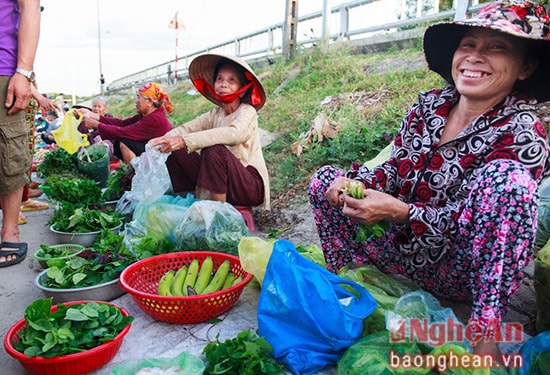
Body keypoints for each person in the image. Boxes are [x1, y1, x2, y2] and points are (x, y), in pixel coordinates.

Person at [308, 0, 550, 361]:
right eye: (468, 45)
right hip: (398, 254)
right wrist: (352, 183)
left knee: (510, 185)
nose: (475, 57)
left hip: (458, 270)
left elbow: (472, 221)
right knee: (324, 178)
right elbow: (395, 168)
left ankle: (486, 337)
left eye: (496, 48)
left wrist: (402, 212)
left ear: (526, 66)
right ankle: (353, 287)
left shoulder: (523, 133)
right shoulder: (429, 106)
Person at [150, 54, 270, 210]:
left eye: (231, 80)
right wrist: (161, 141)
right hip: (222, 181)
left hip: (248, 186)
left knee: (213, 150)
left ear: (241, 90)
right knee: (175, 150)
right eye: (219, 79)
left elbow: (234, 133)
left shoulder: (247, 112)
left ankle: (217, 215)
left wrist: (185, 140)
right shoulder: (215, 114)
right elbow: (187, 128)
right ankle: (187, 203)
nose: (223, 84)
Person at [0, 0, 41, 267]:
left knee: (9, 152)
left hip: (3, 69)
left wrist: (23, 72)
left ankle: (10, 231)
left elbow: (30, 7)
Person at [76, 82, 173, 164]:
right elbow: (122, 123)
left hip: (166, 158)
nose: (136, 101)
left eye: (138, 98)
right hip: (156, 152)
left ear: (149, 102)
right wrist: (92, 115)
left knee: (125, 142)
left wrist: (95, 124)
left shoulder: (155, 118)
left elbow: (123, 132)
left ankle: (135, 175)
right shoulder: (146, 115)